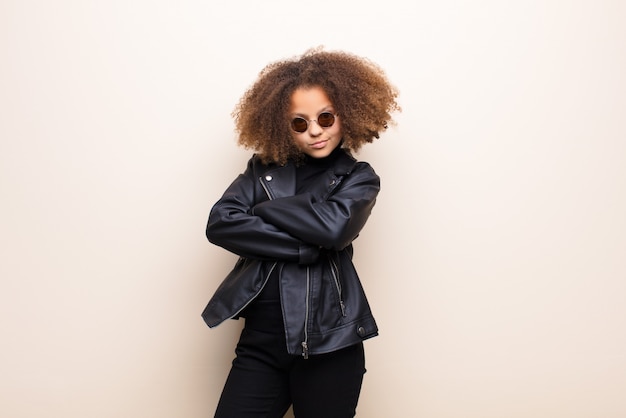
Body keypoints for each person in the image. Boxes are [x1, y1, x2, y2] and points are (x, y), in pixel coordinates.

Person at [202, 47, 400, 418]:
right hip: (261, 343)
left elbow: (334, 228)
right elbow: (222, 222)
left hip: (330, 345)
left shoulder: (359, 178)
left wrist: (265, 208)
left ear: (347, 114)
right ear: (282, 125)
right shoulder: (262, 169)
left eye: (325, 118)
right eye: (299, 122)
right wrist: (302, 249)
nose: (314, 131)